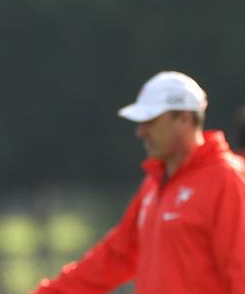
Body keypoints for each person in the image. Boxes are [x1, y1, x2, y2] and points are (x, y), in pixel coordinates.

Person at [32, 71, 245, 294]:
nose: (141, 132)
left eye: (151, 121)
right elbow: (115, 257)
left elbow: (241, 273)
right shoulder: (154, 184)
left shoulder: (227, 180)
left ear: (184, 119)